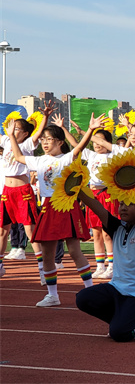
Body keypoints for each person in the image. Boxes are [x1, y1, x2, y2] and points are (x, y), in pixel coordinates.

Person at [7, 114, 105, 306]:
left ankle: (90, 289)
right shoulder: (40, 160)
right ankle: (53, 295)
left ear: (60, 142)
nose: (44, 143)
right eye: (42, 139)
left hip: (67, 206)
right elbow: (18, 157)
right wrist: (11, 135)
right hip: (48, 207)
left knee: (75, 251)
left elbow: (79, 148)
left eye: (49, 139)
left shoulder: (66, 158)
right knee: (47, 254)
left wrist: (91, 129)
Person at [75, 192, 135, 341]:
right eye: (121, 203)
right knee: (83, 298)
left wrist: (132, 185)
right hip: (117, 288)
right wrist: (78, 190)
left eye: (129, 204)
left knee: (119, 333)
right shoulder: (116, 228)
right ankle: (123, 318)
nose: (123, 208)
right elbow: (96, 207)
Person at [59, 115, 126, 279]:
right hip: (92, 195)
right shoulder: (91, 155)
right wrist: (63, 128)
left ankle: (112, 266)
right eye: (94, 141)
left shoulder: (113, 155)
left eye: (100, 141)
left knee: (107, 233)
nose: (96, 144)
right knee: (95, 233)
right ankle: (100, 266)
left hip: (107, 195)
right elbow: (75, 144)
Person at [0, 102, 52, 281]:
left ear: (25, 133)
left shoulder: (29, 144)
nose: (12, 130)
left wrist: (44, 117)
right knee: (2, 231)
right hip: (7, 191)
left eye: (16, 128)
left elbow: (38, 132)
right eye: (11, 127)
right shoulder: (6, 140)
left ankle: (42, 269)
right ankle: (0, 265)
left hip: (22, 191)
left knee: (30, 231)